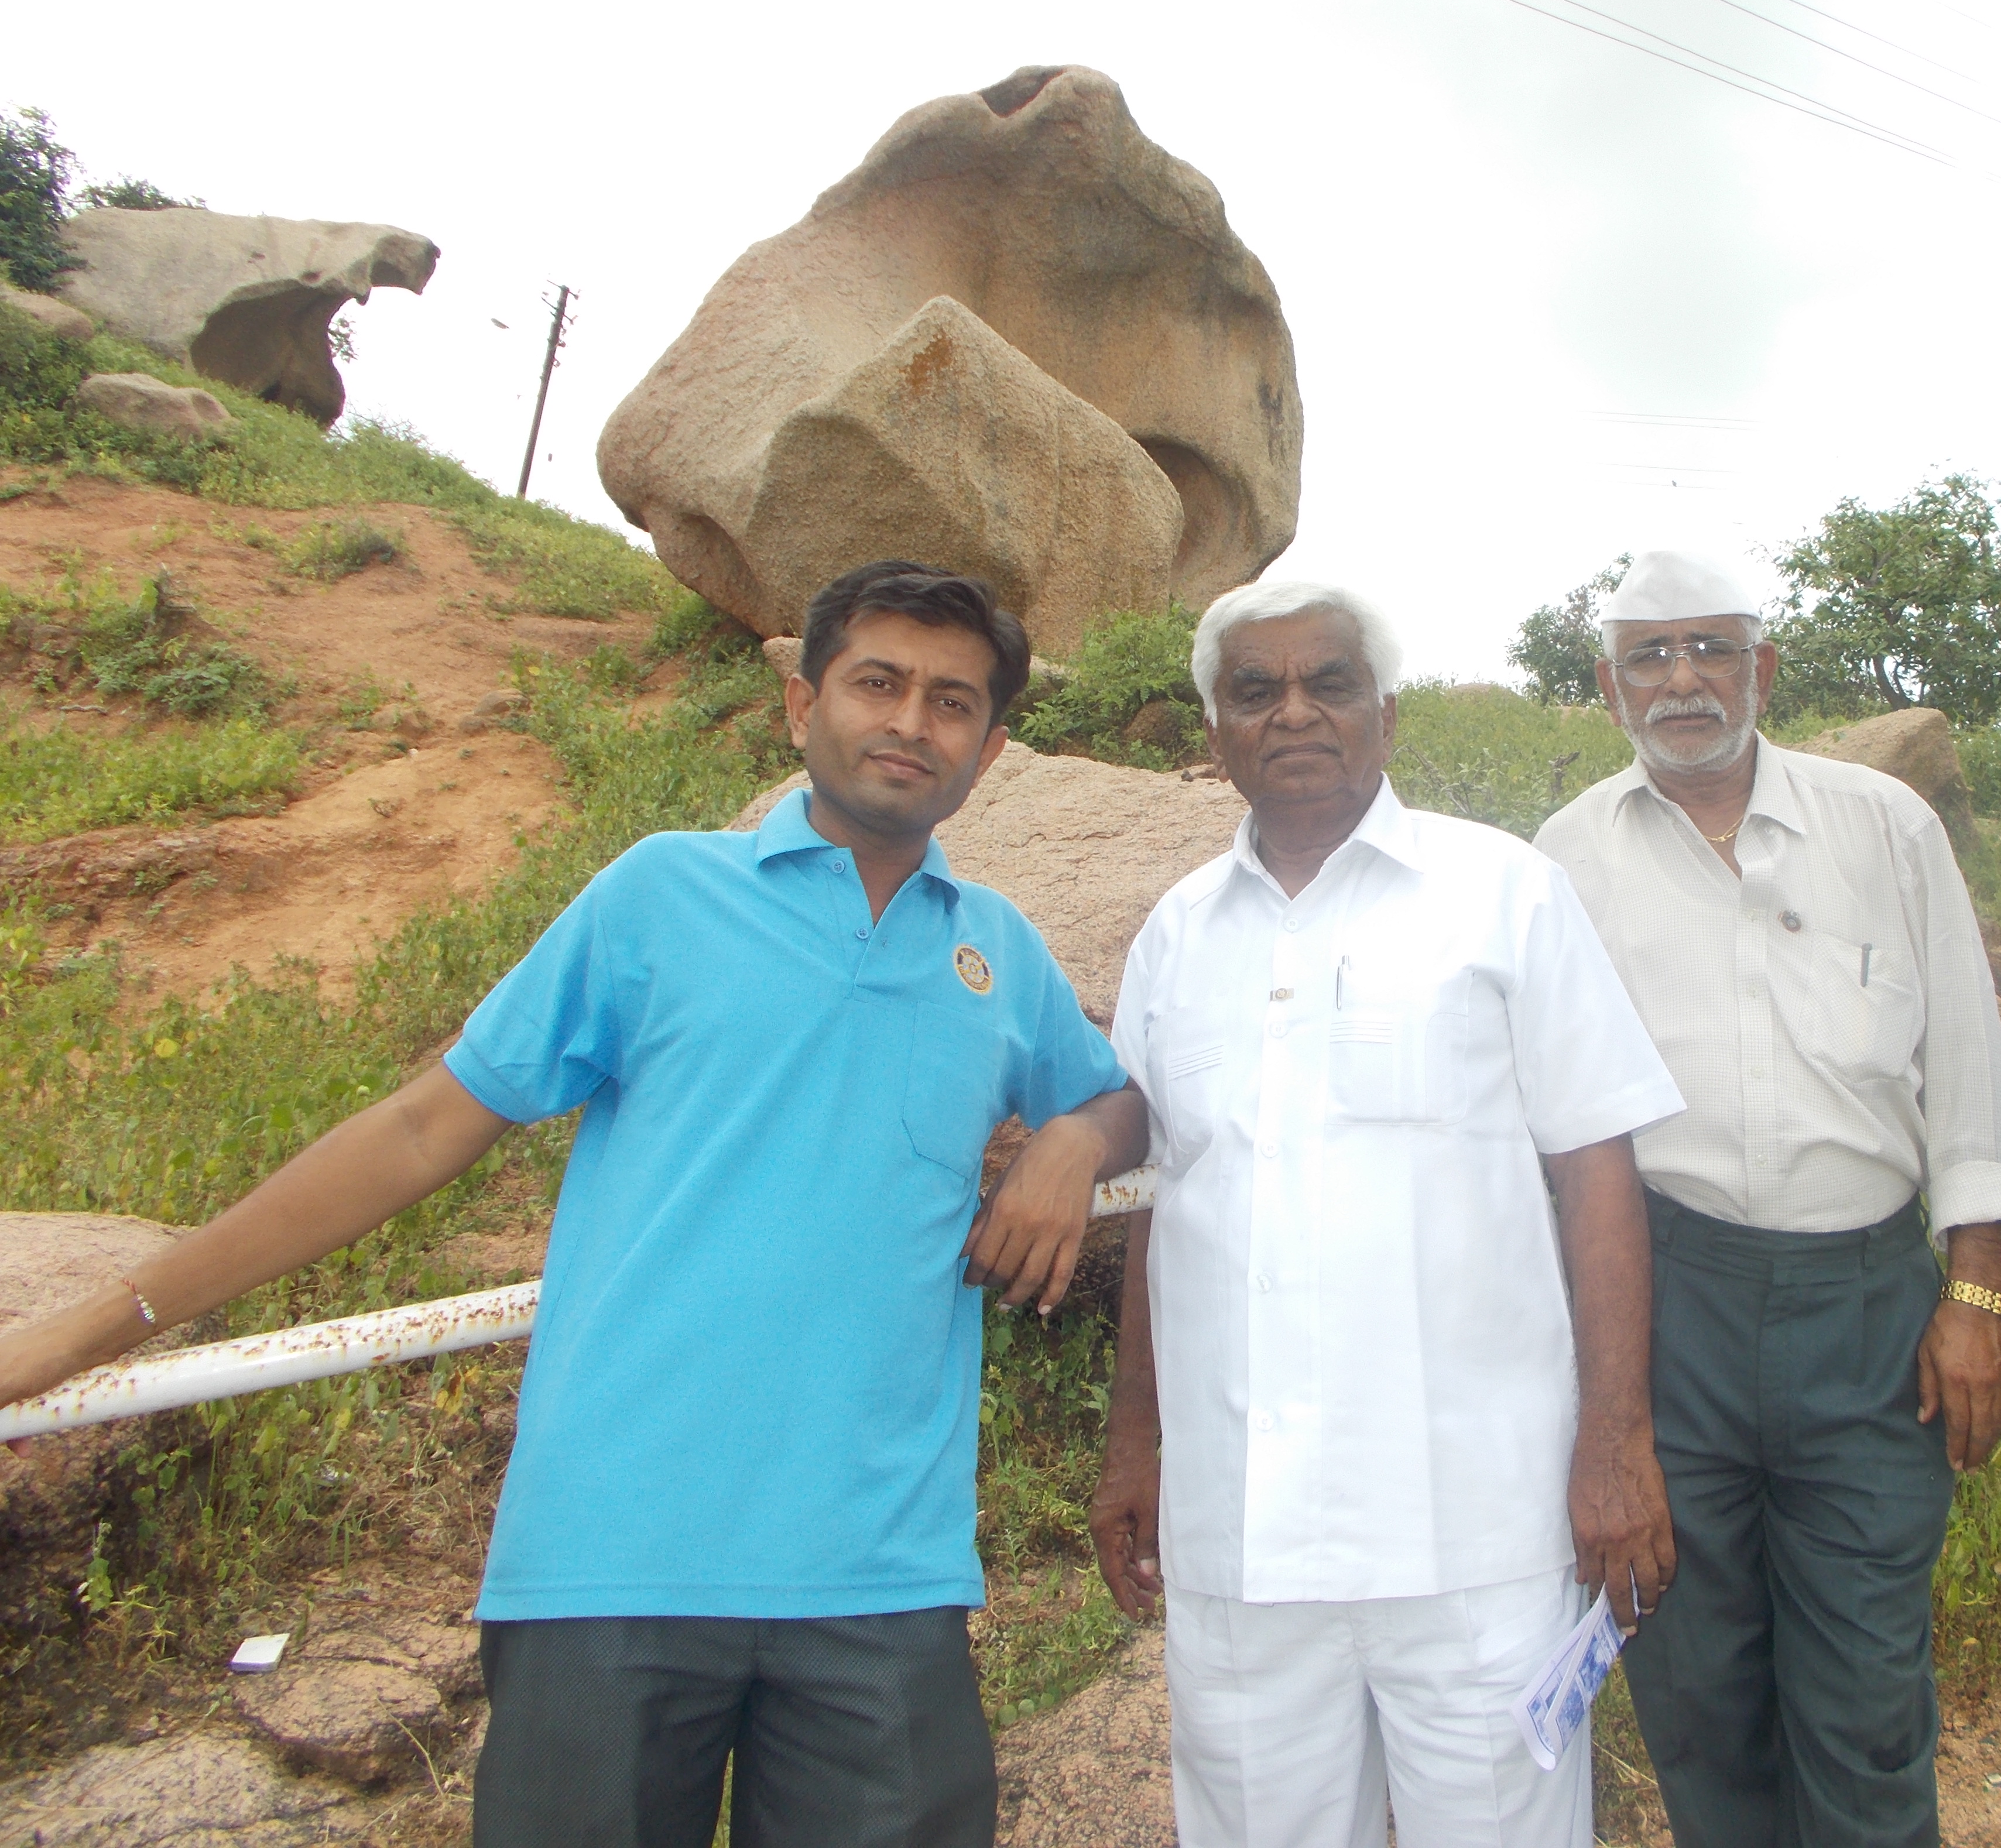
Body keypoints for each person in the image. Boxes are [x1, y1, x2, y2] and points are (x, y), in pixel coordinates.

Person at [0, 559, 1148, 1848]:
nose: (908, 723)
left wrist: (1071, 1137)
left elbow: (1125, 1107)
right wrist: (108, 1321)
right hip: (610, 1561)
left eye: (951, 703)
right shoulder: (662, 895)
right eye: (876, 683)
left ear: (989, 753)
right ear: (799, 705)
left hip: (883, 1580)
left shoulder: (995, 950)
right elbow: (420, 1127)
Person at [1088, 579, 1685, 1848]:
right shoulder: (1177, 937)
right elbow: (1165, 1203)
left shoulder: (1504, 894)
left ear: (1387, 716)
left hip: (1478, 1532)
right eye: (1256, 690)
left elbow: (1598, 1174)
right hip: (1240, 1541)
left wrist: (1618, 1446)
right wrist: (1135, 1440)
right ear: (1215, 732)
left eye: (1330, 683)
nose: (1294, 711)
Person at [1533, 548, 2001, 1848]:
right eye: (1649, 656)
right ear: (1608, 688)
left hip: (1870, 1314)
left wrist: (1977, 1289)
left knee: (1867, 1699)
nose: (1682, 679)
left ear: (1764, 668)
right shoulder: (1565, 858)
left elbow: (1968, 1079)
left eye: (1710, 648)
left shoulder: (1886, 826)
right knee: (1696, 1690)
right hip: (1668, 1308)